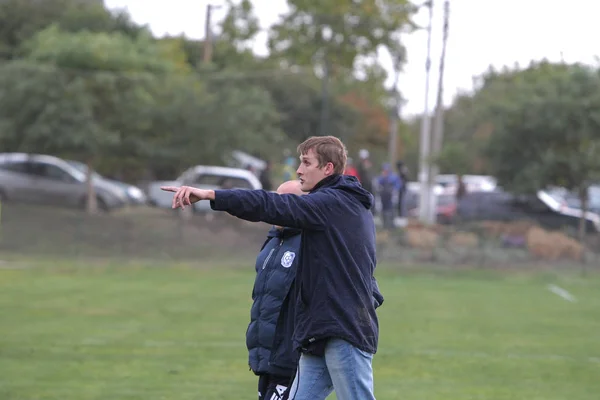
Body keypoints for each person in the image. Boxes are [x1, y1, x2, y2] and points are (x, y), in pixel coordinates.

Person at [162, 136, 382, 400]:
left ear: (328, 168)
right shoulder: (334, 204)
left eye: (306, 163)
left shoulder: (334, 204)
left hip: (342, 330)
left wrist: (212, 195)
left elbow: (272, 204)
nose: (299, 170)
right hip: (318, 331)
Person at [250, 180, 304, 400]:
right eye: (275, 200)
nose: (276, 207)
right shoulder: (273, 241)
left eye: (283, 202)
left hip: (291, 357)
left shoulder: (310, 242)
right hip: (266, 355)